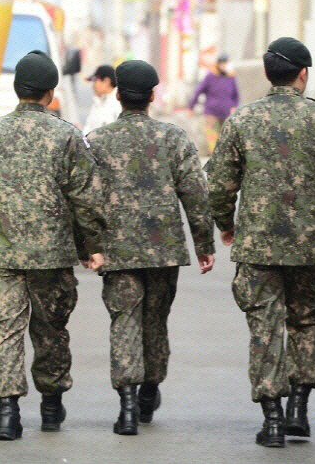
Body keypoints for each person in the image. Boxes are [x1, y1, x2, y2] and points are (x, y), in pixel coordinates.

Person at [204, 37, 315, 448]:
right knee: (307, 321)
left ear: (266, 73)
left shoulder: (242, 121)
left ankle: (273, 419)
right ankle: (299, 408)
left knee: (264, 326)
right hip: (310, 247)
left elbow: (219, 185)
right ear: (303, 73)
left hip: (257, 246)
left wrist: (226, 223)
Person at [0, 50, 105, 441]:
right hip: (52, 256)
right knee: (51, 329)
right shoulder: (68, 135)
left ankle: (7, 413)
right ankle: (52, 403)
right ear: (50, 92)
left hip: (1, 254)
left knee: (6, 330)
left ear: (16, 88)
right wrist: (91, 245)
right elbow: (85, 198)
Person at [86, 59, 215, 436]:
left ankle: (126, 408)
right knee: (155, 322)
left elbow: (85, 198)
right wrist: (204, 242)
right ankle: (148, 394)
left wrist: (89, 244)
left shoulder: (97, 140)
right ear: (152, 96)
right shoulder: (173, 138)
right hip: (164, 251)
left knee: (124, 321)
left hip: (117, 251)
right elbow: (195, 192)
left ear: (118, 94)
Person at [188, 54, 239, 154]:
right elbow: (199, 91)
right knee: (211, 133)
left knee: (225, 133)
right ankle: (213, 153)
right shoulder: (210, 76)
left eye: (226, 64)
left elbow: (236, 94)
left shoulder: (231, 77)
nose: (224, 66)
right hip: (212, 111)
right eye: (223, 64)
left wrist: (234, 106)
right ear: (218, 64)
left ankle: (223, 153)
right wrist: (191, 106)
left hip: (226, 111)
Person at [82, 64, 122, 135]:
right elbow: (89, 126)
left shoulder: (118, 103)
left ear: (107, 81)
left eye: (95, 81)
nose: (93, 86)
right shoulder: (99, 101)